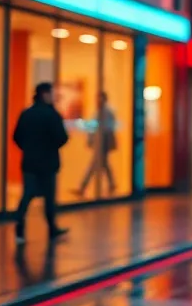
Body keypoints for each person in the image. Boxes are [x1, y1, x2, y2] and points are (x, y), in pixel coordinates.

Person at [13, 82, 70, 244]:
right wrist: (50, 147)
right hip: (48, 162)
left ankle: (19, 229)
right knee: (49, 198)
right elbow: (62, 138)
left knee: (27, 195)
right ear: (45, 94)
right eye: (52, 93)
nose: (54, 97)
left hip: (29, 162)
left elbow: (16, 136)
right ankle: (52, 229)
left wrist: (28, 148)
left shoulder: (26, 114)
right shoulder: (52, 115)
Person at [76, 91, 117, 198]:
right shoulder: (99, 112)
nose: (98, 100)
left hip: (103, 142)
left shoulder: (107, 112)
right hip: (99, 141)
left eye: (100, 98)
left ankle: (82, 186)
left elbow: (107, 128)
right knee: (104, 164)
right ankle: (112, 184)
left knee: (94, 164)